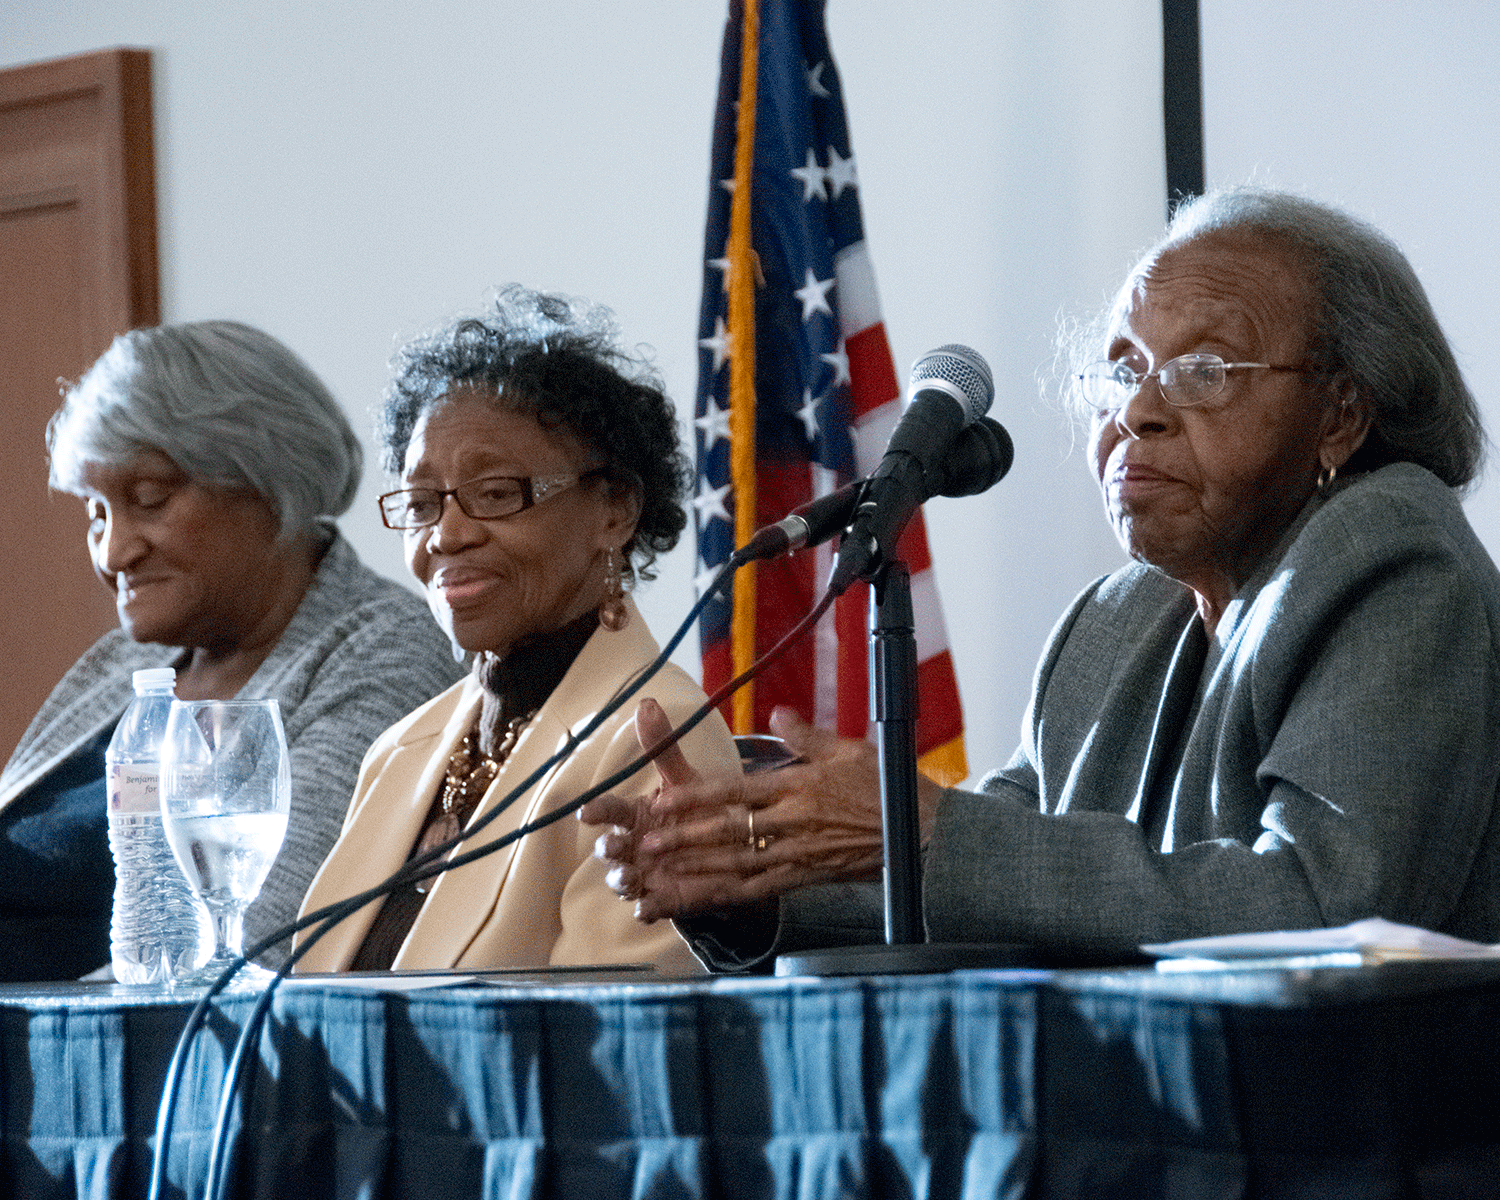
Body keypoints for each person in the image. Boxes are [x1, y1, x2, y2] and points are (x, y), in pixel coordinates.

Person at [584, 186, 1500, 970]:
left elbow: (1323, 909)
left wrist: (931, 833)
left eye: (1203, 371)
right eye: (1122, 371)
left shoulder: (1393, 562)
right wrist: (756, 881)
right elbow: (1007, 871)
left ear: (1339, 416)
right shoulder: (1117, 617)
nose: (1138, 411)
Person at [293, 286, 739, 975]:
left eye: (497, 493)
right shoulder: (397, 752)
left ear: (613, 511)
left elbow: (606, 1048)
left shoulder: (653, 735)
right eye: (420, 503)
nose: (446, 534)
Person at [0, 321, 464, 981]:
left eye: (149, 500)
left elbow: (255, 947)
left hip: (120, 1061)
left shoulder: (382, 646)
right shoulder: (120, 666)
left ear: (272, 480)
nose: (113, 553)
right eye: (96, 513)